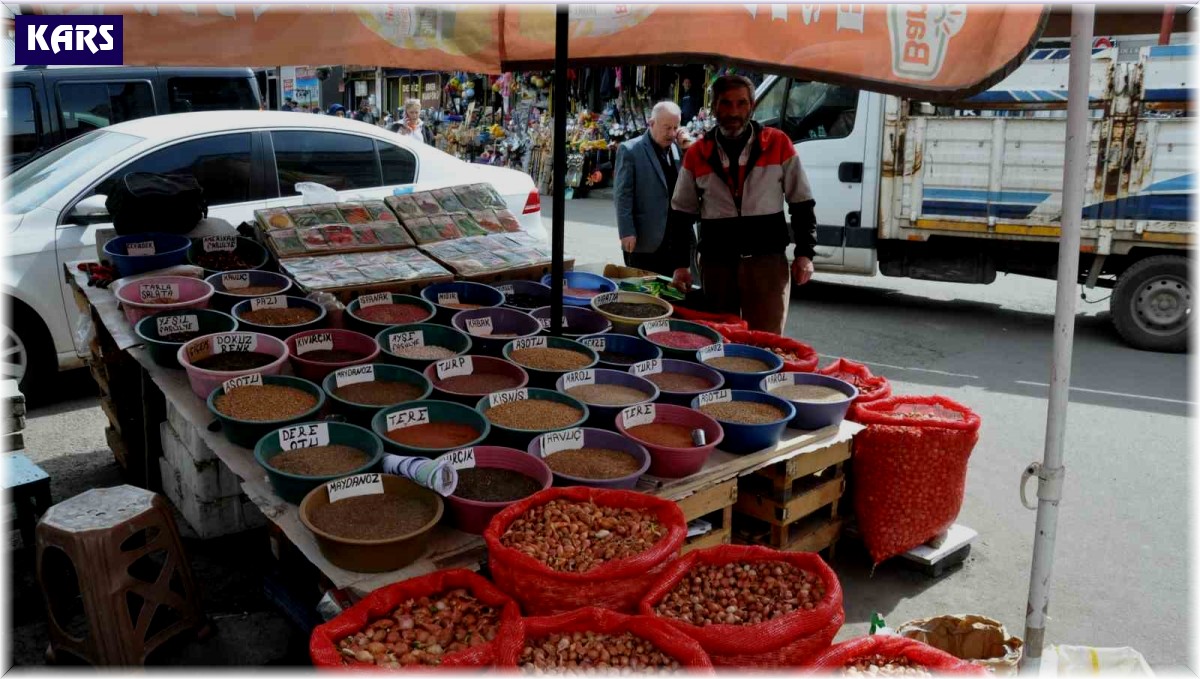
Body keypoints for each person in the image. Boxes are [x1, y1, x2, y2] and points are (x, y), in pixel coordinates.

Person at [666, 74, 817, 335]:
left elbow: (801, 202)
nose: (733, 112)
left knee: (766, 340)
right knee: (719, 340)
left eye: (741, 103)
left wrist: (805, 253)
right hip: (717, 265)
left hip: (767, 264)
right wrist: (680, 265)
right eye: (726, 103)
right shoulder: (697, 154)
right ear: (714, 108)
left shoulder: (778, 144)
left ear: (752, 106)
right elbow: (681, 214)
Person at [612, 101, 692, 277]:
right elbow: (622, 195)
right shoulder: (630, 150)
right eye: (666, 127)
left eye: (675, 127)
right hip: (644, 240)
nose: (671, 133)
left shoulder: (677, 148)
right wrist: (626, 232)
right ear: (651, 123)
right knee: (644, 293)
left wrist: (687, 148)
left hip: (673, 239)